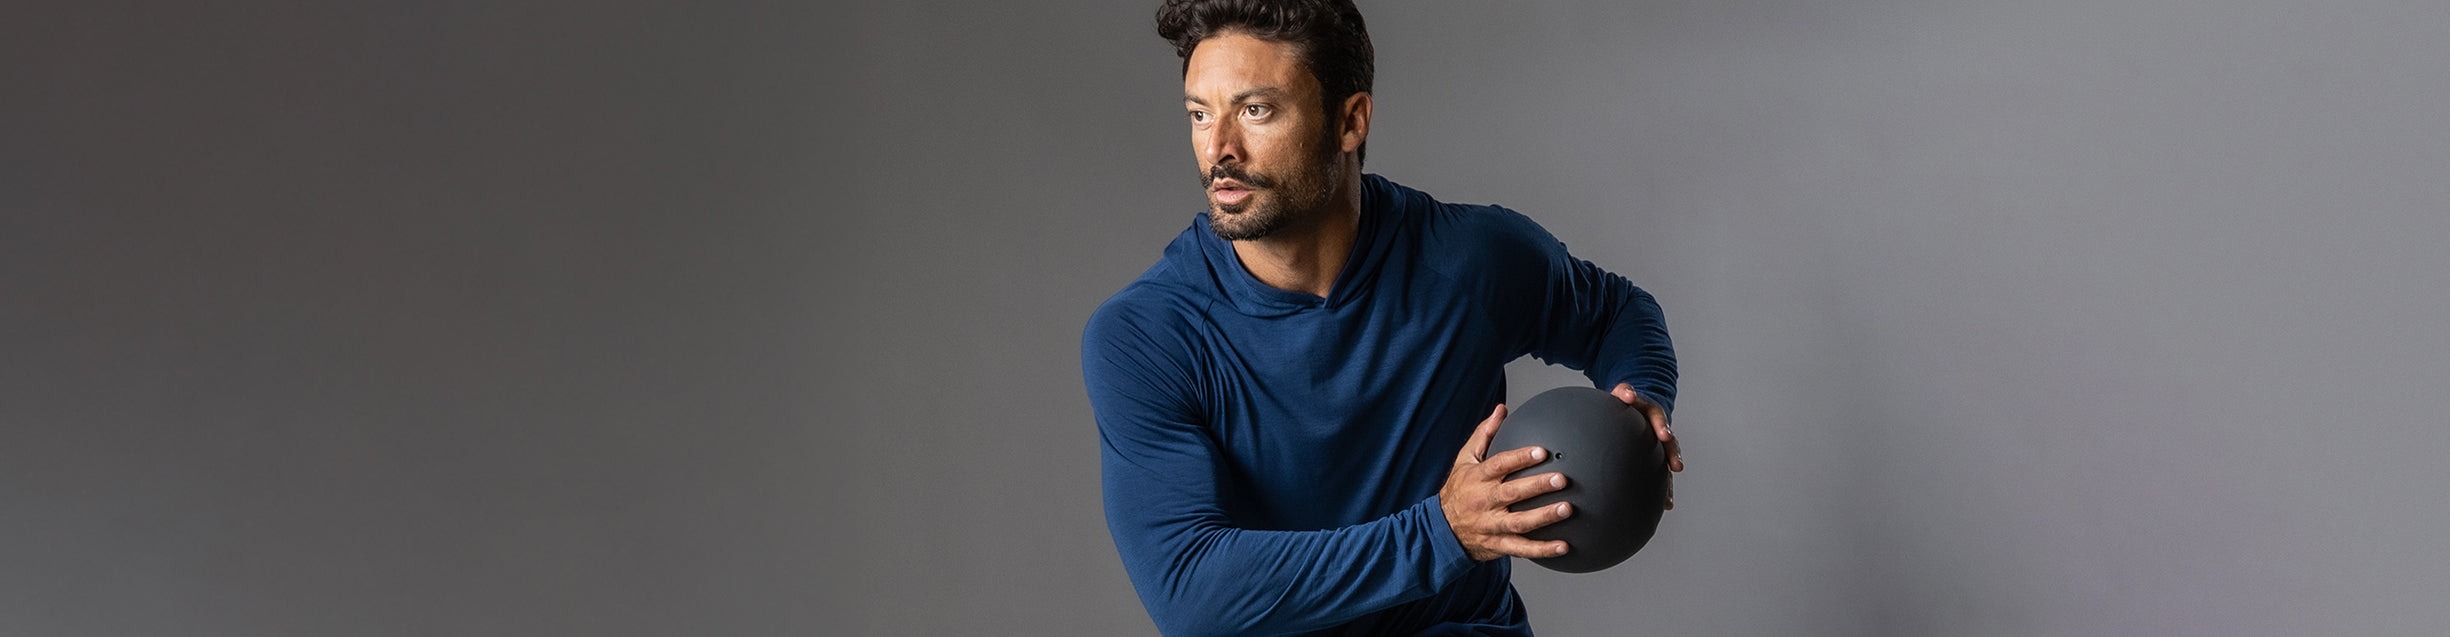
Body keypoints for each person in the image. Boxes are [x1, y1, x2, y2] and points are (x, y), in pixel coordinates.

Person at [1082, 1, 1683, 634]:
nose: (1219, 148)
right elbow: (1192, 591)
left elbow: (1618, 313)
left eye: (1255, 110)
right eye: (1200, 114)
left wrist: (1638, 404)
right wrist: (1444, 534)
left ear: (1350, 120)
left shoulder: (1469, 260)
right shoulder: (1146, 335)